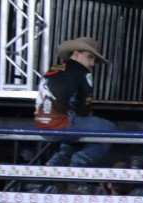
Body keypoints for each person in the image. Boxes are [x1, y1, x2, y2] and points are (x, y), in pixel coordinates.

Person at [34, 36, 116, 170]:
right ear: (76, 54)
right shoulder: (83, 73)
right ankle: (80, 164)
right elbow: (84, 109)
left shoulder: (53, 69)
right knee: (108, 128)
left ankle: (56, 164)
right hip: (62, 123)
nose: (92, 63)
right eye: (90, 57)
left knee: (78, 128)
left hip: (41, 125)